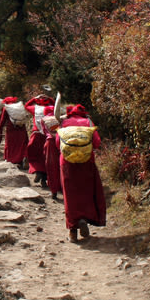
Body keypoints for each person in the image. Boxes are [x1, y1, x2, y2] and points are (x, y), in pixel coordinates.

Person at [56, 104, 106, 243]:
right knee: (85, 194)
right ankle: (84, 219)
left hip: (66, 164)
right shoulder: (89, 122)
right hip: (87, 162)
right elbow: (97, 142)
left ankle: (73, 232)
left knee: (70, 197)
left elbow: (57, 143)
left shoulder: (64, 123)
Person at [25, 94, 55, 185]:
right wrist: (49, 98)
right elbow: (56, 106)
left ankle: (38, 171)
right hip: (48, 136)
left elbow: (26, 106)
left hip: (36, 135)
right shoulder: (51, 108)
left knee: (33, 154)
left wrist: (34, 98)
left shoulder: (34, 109)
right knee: (46, 156)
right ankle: (44, 179)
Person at [0, 97, 29, 166]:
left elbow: (2, 120)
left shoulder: (6, 108)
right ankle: (21, 159)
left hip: (11, 130)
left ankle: (12, 160)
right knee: (21, 145)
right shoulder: (19, 107)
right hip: (21, 129)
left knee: (11, 145)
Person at [41, 115, 62, 199]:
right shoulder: (62, 119)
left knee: (51, 167)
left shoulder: (44, 119)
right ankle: (63, 188)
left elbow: (43, 131)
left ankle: (54, 191)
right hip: (63, 143)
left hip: (50, 143)